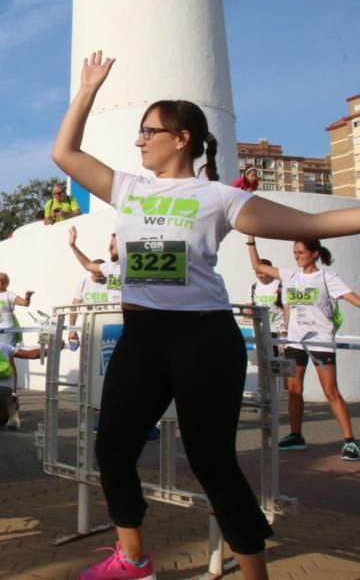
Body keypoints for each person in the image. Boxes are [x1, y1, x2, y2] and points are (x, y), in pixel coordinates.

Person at [48, 50, 360, 579]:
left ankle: (255, 573)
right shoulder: (128, 187)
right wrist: (88, 89)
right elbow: (65, 152)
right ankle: (134, 559)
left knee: (212, 463)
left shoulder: (219, 197)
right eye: (139, 132)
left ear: (182, 137)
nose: (139, 140)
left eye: (149, 130)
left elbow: (324, 220)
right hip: (142, 335)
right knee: (111, 450)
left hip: (203, 337)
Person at [248, 240, 359, 461]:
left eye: (300, 252)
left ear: (314, 253)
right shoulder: (290, 276)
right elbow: (259, 266)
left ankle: (350, 442)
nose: (296, 256)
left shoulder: (328, 277)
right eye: (294, 252)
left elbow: (354, 298)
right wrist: (250, 240)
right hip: (295, 342)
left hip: (321, 342)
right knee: (294, 390)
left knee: (330, 390)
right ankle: (296, 436)